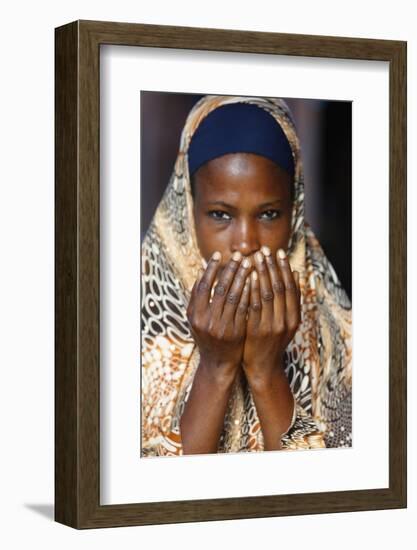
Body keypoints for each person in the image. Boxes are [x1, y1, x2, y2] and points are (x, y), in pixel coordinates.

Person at [141, 95, 352, 457]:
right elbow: (160, 504)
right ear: (189, 213)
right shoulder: (136, 336)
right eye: (221, 215)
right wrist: (216, 368)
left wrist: (266, 372)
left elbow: (321, 497)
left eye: (269, 214)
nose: (245, 243)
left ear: (295, 213)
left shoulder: (339, 340)